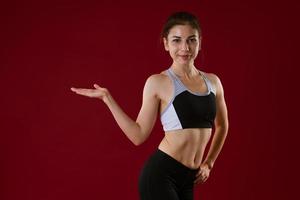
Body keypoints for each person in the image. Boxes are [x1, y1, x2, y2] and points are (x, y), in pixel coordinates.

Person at [70, 11, 228, 200]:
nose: (185, 47)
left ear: (199, 42)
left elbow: (222, 125)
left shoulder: (213, 82)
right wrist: (107, 98)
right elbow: (138, 135)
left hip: (189, 179)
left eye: (191, 40)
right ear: (165, 43)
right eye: (176, 40)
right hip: (161, 175)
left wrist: (209, 163)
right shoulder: (158, 82)